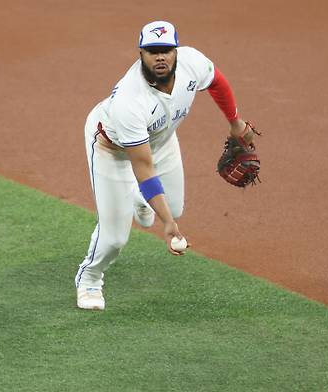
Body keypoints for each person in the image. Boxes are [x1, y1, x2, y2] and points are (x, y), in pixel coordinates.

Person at [75, 20, 253, 310]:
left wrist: (235, 122)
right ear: (140, 54)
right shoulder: (130, 101)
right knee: (115, 238)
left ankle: (142, 199)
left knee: (175, 205)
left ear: (176, 51)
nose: (161, 57)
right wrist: (167, 224)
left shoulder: (192, 63)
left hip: (161, 139)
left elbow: (217, 82)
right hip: (113, 149)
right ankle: (90, 279)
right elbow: (143, 167)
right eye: (152, 51)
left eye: (166, 50)